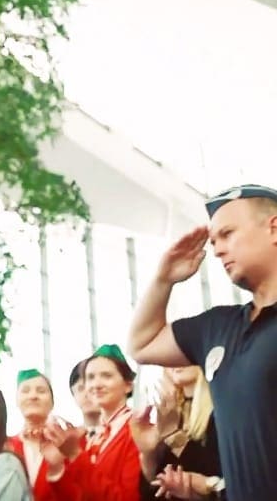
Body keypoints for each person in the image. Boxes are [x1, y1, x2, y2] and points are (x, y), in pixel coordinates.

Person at [129, 184, 277, 501]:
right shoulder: (218, 327)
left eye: (227, 234)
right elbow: (142, 344)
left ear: (273, 228)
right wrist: (163, 279)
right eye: (213, 242)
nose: (218, 250)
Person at [44, 344, 140, 501]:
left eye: (106, 376)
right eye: (90, 377)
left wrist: (75, 455)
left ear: (128, 385)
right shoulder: (94, 436)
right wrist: (58, 465)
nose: (96, 384)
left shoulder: (137, 431)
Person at [128, 366, 221, 501]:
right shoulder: (170, 412)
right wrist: (148, 455)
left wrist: (173, 436)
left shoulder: (222, 410)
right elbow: (152, 493)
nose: (173, 361)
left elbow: (214, 476)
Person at [8, 369, 66, 501]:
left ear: (52, 402)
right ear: (17, 401)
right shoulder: (5, 447)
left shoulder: (67, 446)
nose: (33, 396)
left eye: (41, 391)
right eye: (25, 391)